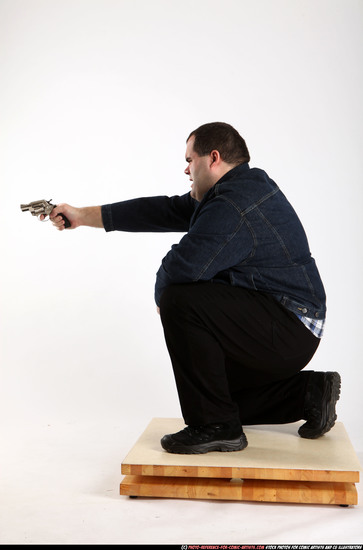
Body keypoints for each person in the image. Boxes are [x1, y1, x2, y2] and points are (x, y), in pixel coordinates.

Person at [49, 122, 341, 455]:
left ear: (213, 158)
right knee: (215, 394)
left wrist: (164, 299)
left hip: (287, 327)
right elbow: (162, 210)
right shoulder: (239, 186)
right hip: (289, 325)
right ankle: (308, 394)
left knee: (181, 298)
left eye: (190, 159)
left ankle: (215, 427)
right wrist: (81, 215)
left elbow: (181, 267)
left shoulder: (233, 206)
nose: (186, 169)